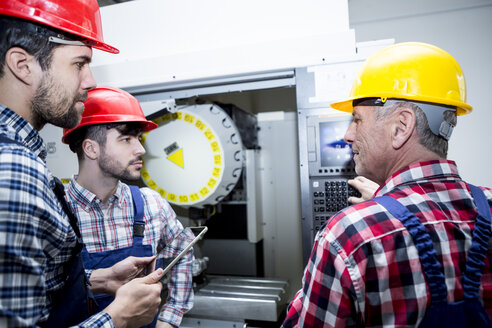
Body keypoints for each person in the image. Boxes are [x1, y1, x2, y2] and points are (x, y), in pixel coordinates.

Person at [282, 42, 492, 327]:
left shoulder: (349, 234)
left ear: (401, 127)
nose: (347, 135)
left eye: (357, 119)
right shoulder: (488, 206)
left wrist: (378, 210)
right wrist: (384, 200)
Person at [0, 1, 165, 327]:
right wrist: (118, 317)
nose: (90, 81)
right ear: (23, 64)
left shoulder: (24, 159)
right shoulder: (15, 171)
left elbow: (37, 289)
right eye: (79, 63)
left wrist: (97, 280)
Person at [61, 87, 195, 328]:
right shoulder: (56, 211)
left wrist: (170, 318)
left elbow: (182, 252)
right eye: (126, 138)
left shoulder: (151, 204)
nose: (141, 149)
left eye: (139, 138)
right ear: (91, 149)